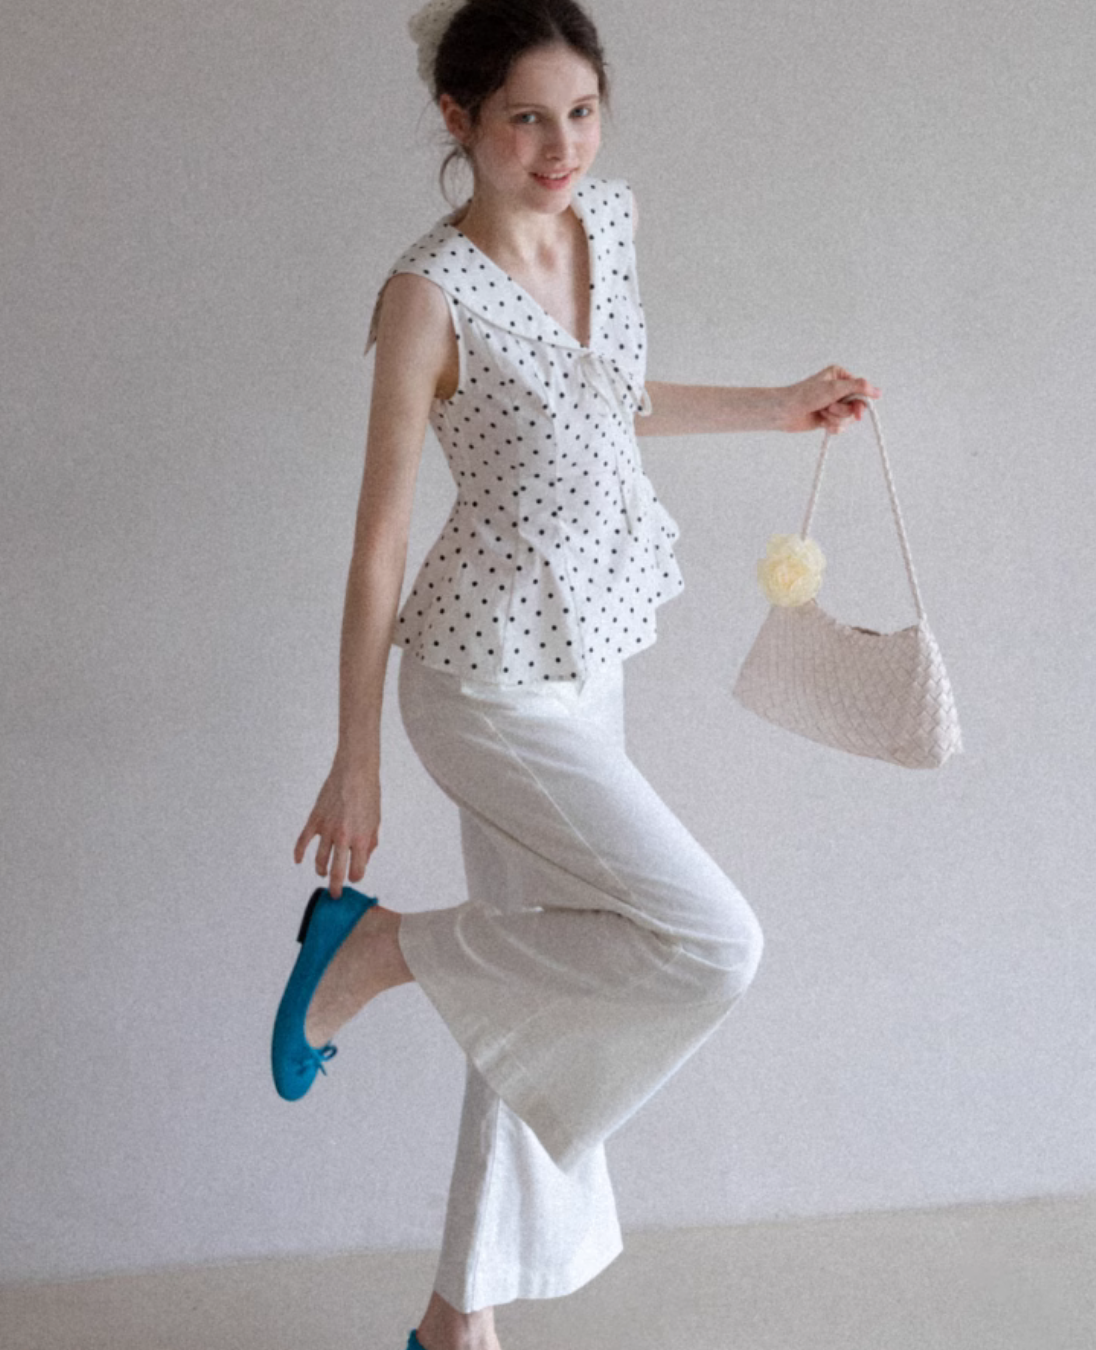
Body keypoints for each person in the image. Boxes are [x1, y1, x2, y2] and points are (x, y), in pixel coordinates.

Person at [271, 2, 880, 1347]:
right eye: (527, 120)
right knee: (711, 942)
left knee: (542, 983)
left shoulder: (606, 221)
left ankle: (455, 1323)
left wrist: (775, 406)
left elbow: (605, 400)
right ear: (460, 121)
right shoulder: (428, 294)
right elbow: (379, 541)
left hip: (585, 659)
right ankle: (379, 946)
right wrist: (357, 755)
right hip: (482, 684)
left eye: (584, 113)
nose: (562, 149)